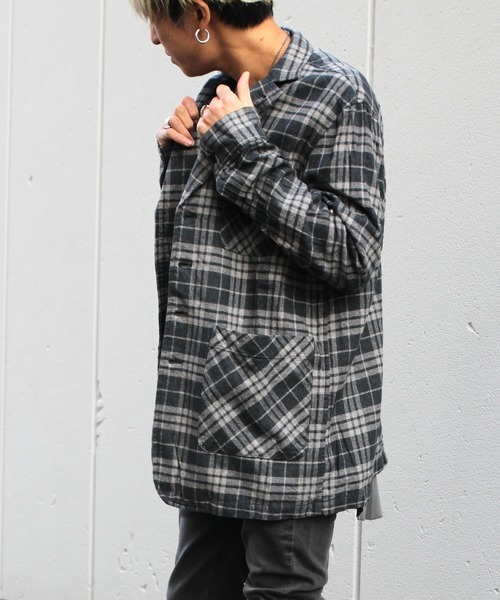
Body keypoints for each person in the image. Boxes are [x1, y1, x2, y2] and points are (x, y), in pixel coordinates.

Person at [131, 0, 387, 598]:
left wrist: (241, 146)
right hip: (215, 408)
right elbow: (210, 270)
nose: (155, 40)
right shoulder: (220, 98)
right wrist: (184, 158)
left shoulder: (337, 94)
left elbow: (351, 251)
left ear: (198, 14)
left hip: (291, 417)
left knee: (281, 589)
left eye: (156, 21)